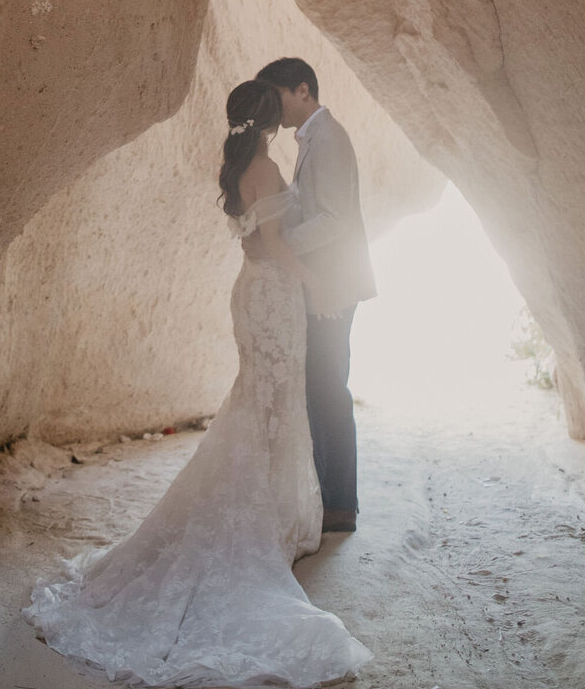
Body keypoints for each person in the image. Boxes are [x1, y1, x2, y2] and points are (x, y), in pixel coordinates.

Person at [24, 77, 371, 687]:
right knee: (271, 404)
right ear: (269, 120)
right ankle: (265, 514)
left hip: (255, 295)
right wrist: (315, 284)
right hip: (274, 294)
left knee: (263, 403)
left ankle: (277, 509)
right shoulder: (264, 167)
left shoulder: (237, 163)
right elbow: (272, 247)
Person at [256, 57, 376, 534]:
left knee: (328, 389)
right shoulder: (314, 137)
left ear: (302, 90)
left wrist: (279, 246)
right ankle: (330, 498)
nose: (274, 108)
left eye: (278, 97)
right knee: (320, 388)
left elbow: (333, 218)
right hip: (323, 279)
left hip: (334, 283)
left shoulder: (327, 138)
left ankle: (341, 505)